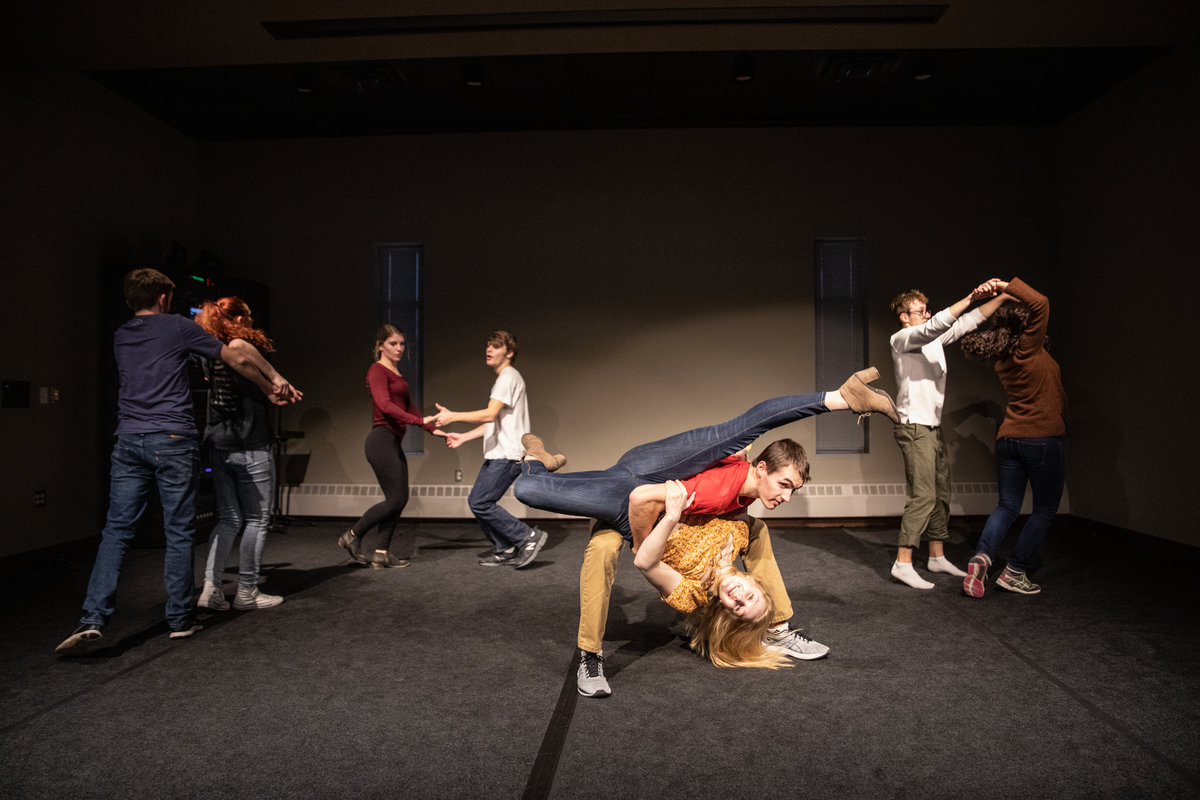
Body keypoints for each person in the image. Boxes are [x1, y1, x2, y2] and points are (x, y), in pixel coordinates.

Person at [513, 368, 899, 696]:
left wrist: (652, 536)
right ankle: (841, 397)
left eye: (740, 606)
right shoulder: (725, 504)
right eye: (783, 485)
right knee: (737, 433)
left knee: (529, 490)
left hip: (633, 505)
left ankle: (535, 458)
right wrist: (650, 534)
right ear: (763, 470)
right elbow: (651, 498)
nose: (786, 496)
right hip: (649, 484)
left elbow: (652, 543)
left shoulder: (730, 535)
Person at [56, 269, 298, 656]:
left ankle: (93, 619)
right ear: (164, 298)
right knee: (179, 531)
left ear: (130, 300)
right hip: (172, 440)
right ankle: (180, 620)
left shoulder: (121, 334)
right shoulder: (177, 327)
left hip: (128, 440)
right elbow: (237, 354)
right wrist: (273, 380)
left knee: (116, 532)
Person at [887, 280, 1008, 590]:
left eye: (927, 310)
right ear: (904, 316)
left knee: (941, 493)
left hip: (932, 426)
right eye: (921, 311)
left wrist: (1003, 296)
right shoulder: (902, 339)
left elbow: (968, 322)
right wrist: (970, 296)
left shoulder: (932, 340)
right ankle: (902, 563)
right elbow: (937, 325)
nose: (927, 315)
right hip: (913, 426)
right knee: (923, 495)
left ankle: (936, 556)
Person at [958, 278, 1066, 597]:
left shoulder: (1003, 355)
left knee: (1007, 506)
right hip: (1041, 439)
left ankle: (983, 556)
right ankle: (1014, 572)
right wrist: (1005, 285)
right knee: (1044, 510)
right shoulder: (1027, 347)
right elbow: (1041, 302)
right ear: (1027, 325)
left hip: (1009, 440)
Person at [194, 297, 291, 612]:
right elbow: (242, 348)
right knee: (257, 520)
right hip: (249, 443)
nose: (251, 322)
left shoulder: (210, 352)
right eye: (248, 316)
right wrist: (276, 380)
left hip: (220, 444)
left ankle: (211, 588)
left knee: (228, 519)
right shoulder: (239, 346)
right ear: (237, 320)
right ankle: (247, 591)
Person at [633, 482, 792, 670]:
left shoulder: (692, 594)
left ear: (725, 610)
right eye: (750, 597)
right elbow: (733, 488)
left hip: (649, 503)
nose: (739, 597)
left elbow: (644, 562)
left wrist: (672, 516)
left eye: (738, 607)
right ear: (753, 581)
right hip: (685, 484)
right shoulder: (740, 536)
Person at [427, 330, 549, 568]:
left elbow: (489, 414)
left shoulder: (508, 376)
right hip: (500, 453)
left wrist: (453, 416)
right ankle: (505, 548)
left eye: (496, 346)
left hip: (507, 454)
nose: (489, 349)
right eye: (488, 345)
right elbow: (495, 422)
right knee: (478, 501)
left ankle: (527, 536)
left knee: (481, 503)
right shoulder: (506, 378)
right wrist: (464, 437)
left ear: (509, 353)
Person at [337, 325, 436, 569]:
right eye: (393, 344)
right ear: (380, 345)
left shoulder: (396, 373)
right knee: (396, 499)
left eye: (402, 344)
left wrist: (434, 429)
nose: (399, 348)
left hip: (392, 442)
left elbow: (408, 407)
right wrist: (418, 421)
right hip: (380, 441)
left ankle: (381, 552)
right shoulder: (377, 370)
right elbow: (385, 406)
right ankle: (352, 535)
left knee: (398, 499)